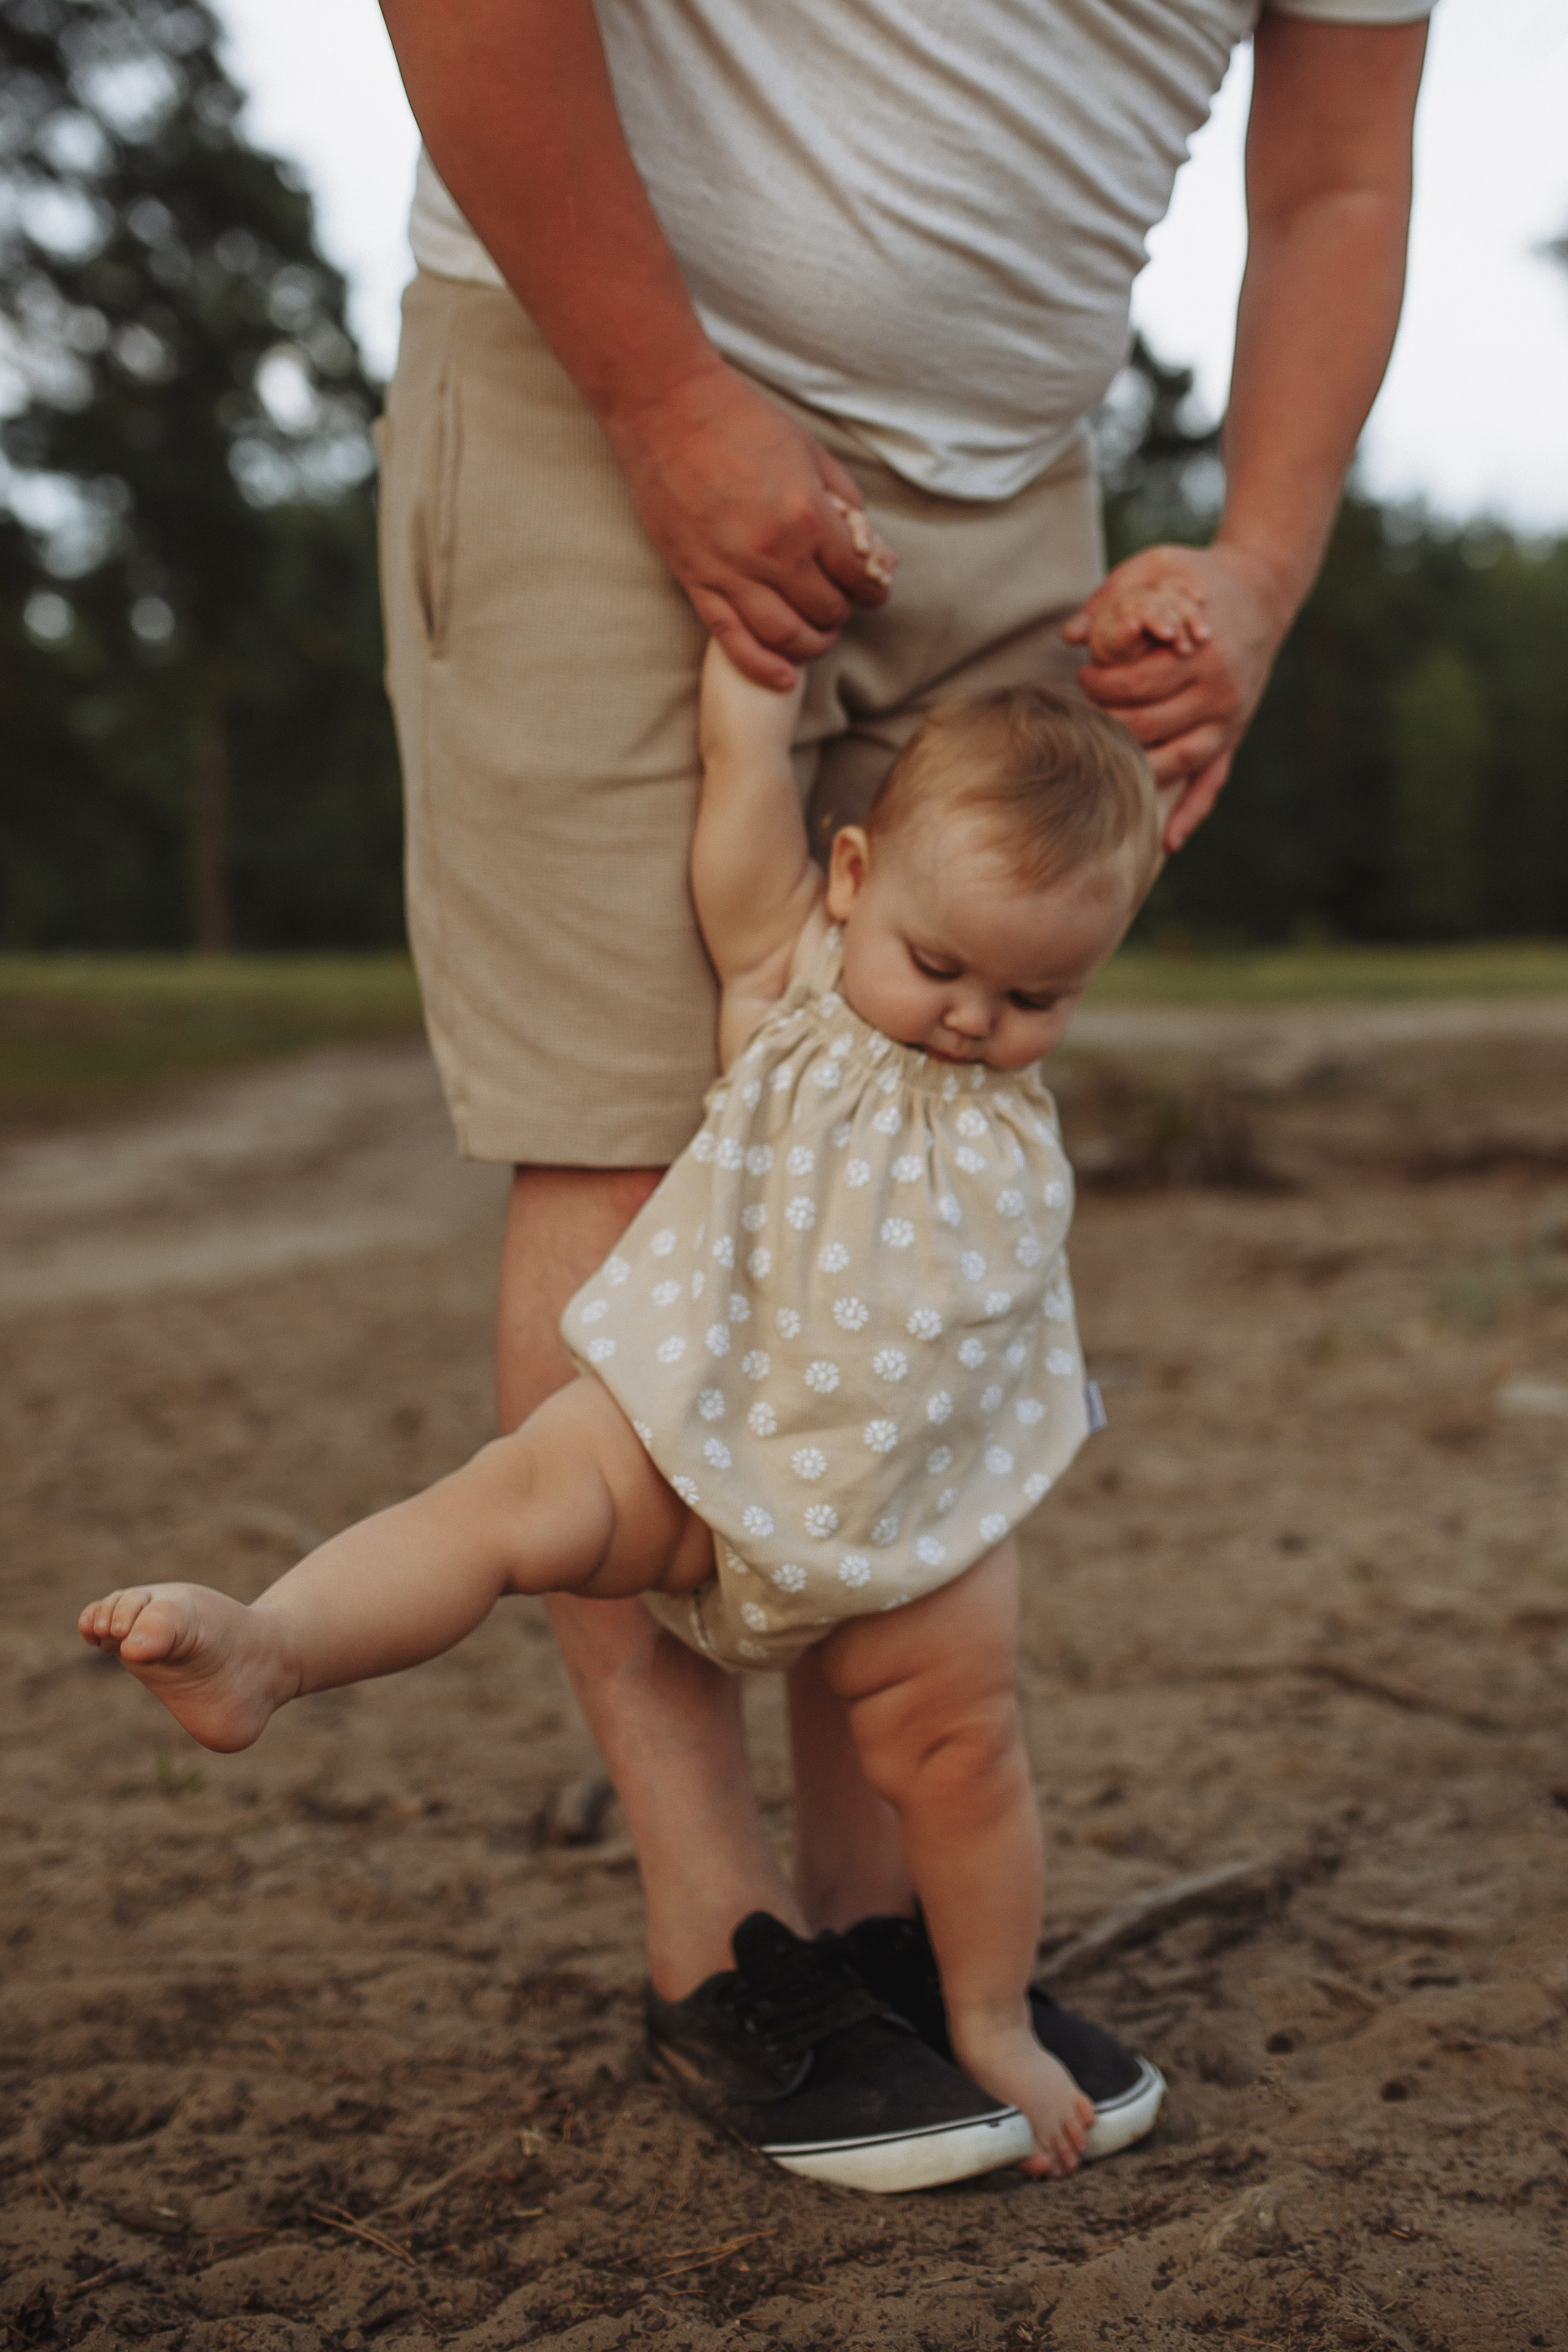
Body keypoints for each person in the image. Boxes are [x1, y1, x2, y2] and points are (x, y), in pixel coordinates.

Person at [370, 0, 1432, 2181]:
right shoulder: (628, 385)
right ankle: (722, 1937)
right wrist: (665, 395)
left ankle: (883, 1930)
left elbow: (1337, 166)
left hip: (1015, 482)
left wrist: (1259, 565)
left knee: (910, 1140)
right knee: (629, 1124)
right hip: (610, 371)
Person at [79, 634, 1185, 2187]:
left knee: (964, 1750)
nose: (968, 1018)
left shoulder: (1003, 1092)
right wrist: (756, 673)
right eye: (940, 967)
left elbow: (1083, 884)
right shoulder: (792, 980)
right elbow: (743, 799)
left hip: (906, 1522)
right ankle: (269, 1644)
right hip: (688, 1432)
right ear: (853, 876)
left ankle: (983, 2010)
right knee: (504, 1499)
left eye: (1033, 995)